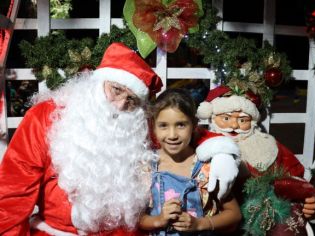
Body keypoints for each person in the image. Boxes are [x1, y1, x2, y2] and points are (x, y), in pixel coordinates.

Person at [0, 43, 239, 235]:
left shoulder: (137, 123)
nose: (122, 104)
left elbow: (184, 134)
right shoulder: (48, 116)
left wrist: (221, 151)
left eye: (132, 99)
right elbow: (12, 192)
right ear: (97, 82)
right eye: (116, 90)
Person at [196, 85, 315, 235]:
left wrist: (308, 203)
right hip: (216, 221)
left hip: (264, 218)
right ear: (213, 117)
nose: (234, 126)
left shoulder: (268, 145)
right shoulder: (202, 143)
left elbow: (294, 178)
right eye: (226, 118)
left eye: (243, 120)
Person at [139, 88, 242, 235]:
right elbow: (137, 218)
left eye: (181, 125)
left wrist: (200, 224)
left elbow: (234, 213)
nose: (172, 135)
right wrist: (159, 219)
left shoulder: (207, 168)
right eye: (163, 126)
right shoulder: (146, 167)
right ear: (153, 126)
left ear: (194, 124)